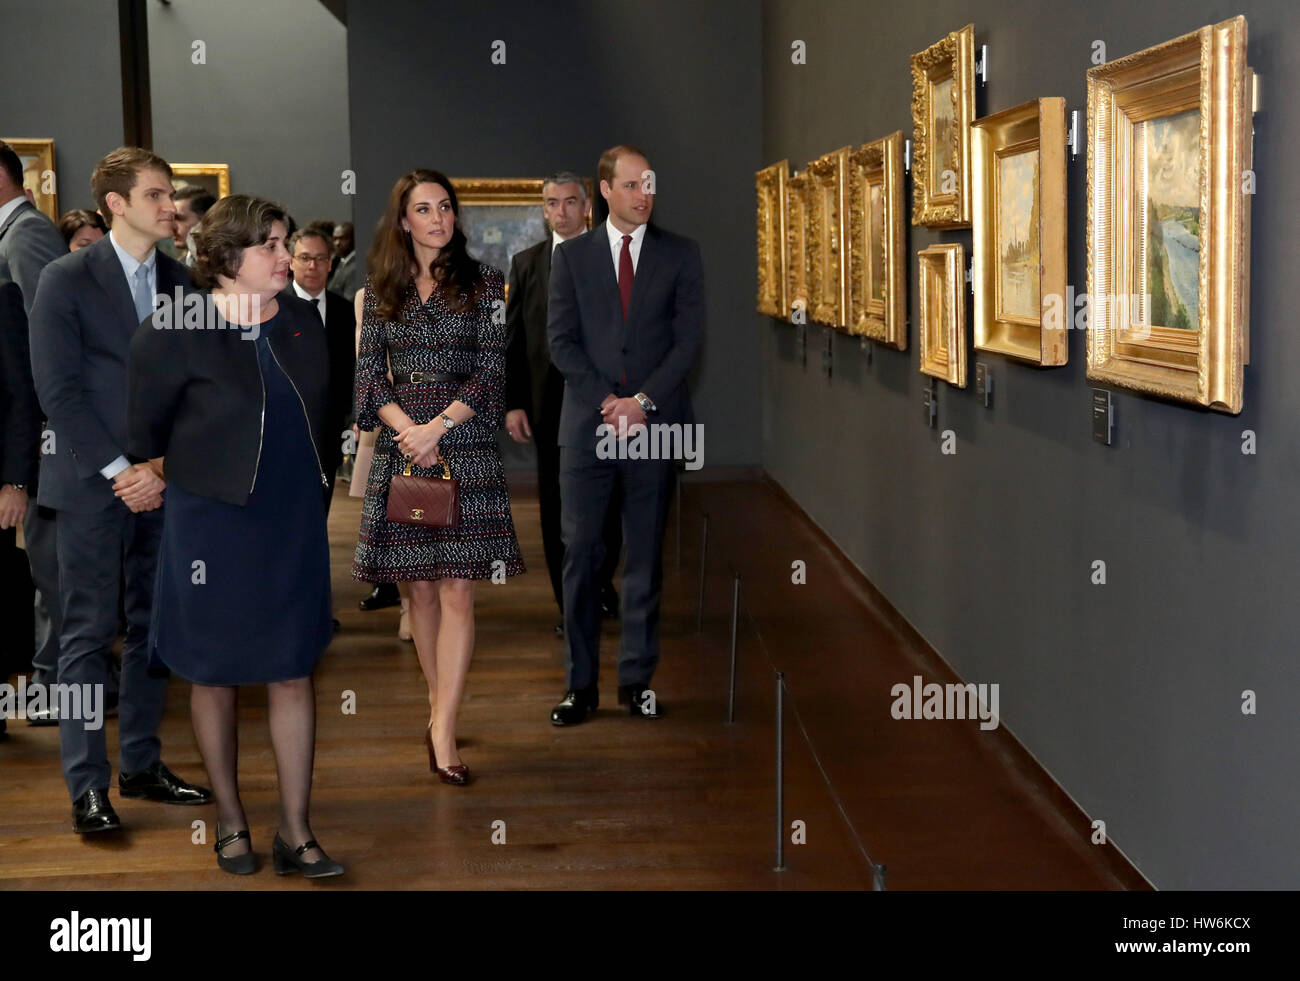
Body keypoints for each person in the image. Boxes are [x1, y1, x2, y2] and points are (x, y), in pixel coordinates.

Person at [127, 194, 342, 877]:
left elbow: (323, 417)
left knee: (292, 668)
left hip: (292, 522)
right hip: (210, 524)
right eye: (271, 246)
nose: (288, 257)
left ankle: (296, 830)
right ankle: (230, 818)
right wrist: (173, 469)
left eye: (285, 242)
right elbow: (145, 433)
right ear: (224, 259)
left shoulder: (304, 321)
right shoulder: (175, 325)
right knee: (213, 673)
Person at [28, 146, 212, 833]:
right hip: (87, 486)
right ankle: (86, 784)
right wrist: (119, 472)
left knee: (152, 630)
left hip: (163, 486)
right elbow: (59, 392)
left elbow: (198, 387)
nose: (172, 207)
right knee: (84, 635)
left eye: (171, 197)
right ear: (117, 203)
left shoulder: (182, 282)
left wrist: (156, 469)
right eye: (158, 195)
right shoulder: (64, 278)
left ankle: (140, 763)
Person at [353, 169, 524, 784]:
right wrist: (410, 431)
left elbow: (492, 375)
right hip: (406, 448)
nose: (439, 218)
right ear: (403, 221)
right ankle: (437, 704)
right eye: (424, 209)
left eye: (446, 207)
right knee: (419, 589)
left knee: (458, 589)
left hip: (465, 445)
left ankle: (444, 729)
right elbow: (369, 378)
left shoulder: (486, 284)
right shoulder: (379, 289)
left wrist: (438, 429)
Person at [547, 144, 705, 725]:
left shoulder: (681, 255)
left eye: (651, 184)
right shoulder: (571, 259)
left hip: (654, 427)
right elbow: (560, 342)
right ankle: (579, 686)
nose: (645, 194)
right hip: (587, 428)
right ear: (606, 191)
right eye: (633, 185)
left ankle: (637, 681)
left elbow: (688, 343)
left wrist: (640, 403)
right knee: (583, 557)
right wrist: (609, 402)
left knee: (643, 559)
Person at [505, 171, 622, 638]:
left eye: (570, 202)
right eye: (552, 203)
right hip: (549, 404)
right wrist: (513, 403)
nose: (561, 212)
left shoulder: (613, 257)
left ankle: (597, 583)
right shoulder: (528, 263)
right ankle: (570, 603)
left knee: (609, 502)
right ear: (544, 208)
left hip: (603, 401)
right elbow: (513, 341)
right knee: (556, 505)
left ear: (587, 204)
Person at [0, 141, 68, 735]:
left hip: (45, 429)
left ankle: (59, 689)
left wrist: (37, 435)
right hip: (35, 427)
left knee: (54, 568)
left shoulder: (24, 235)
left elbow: (44, 336)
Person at [286, 225, 356, 514]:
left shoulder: (346, 311)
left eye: (320, 258)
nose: (312, 266)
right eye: (304, 258)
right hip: (285, 425)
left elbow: (355, 369)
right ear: (290, 261)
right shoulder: (273, 307)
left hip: (331, 428)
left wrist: (353, 418)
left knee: (320, 505)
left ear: (330, 263)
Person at [170, 185, 215, 268]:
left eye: (179, 218)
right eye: (171, 219)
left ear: (206, 220)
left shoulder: (227, 266)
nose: (172, 227)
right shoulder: (178, 267)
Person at [328, 221, 364, 302]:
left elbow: (349, 300)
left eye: (342, 238)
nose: (337, 243)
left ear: (353, 239)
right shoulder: (338, 262)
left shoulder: (355, 266)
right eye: (335, 239)